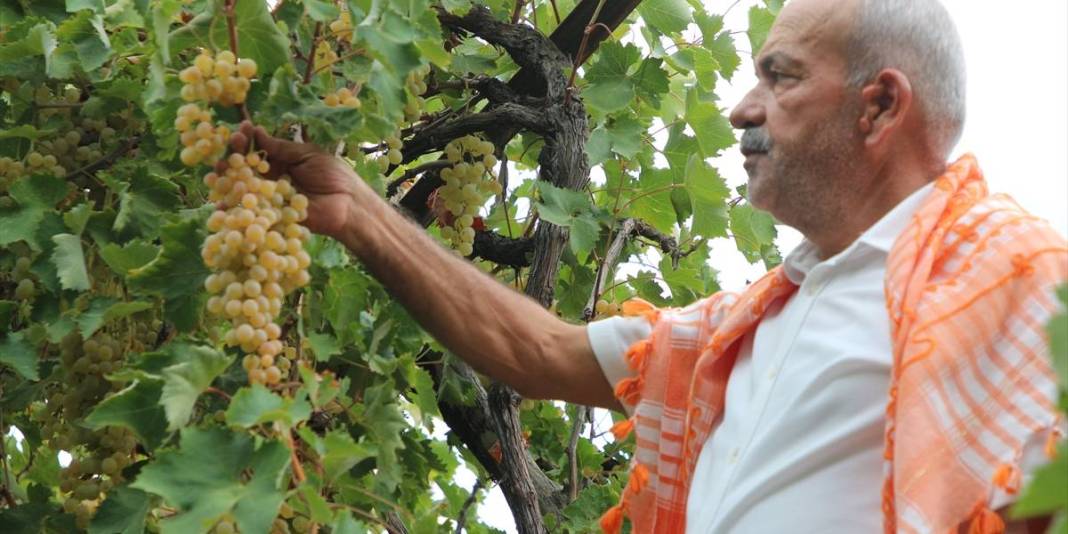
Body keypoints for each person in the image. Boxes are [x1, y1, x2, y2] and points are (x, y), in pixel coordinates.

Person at [221, 0, 1067, 531]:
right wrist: (358, 211)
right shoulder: (750, 325)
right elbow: (541, 353)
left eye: (779, 76)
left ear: (879, 105)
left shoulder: (1024, 280)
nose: (743, 106)